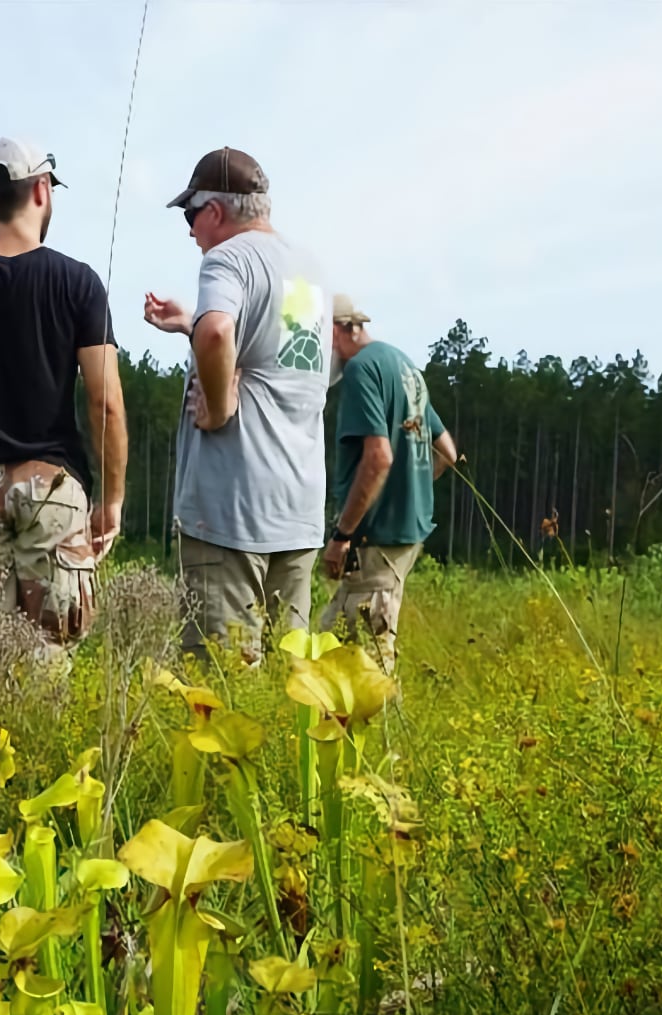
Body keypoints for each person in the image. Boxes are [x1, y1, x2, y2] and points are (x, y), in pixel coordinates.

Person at [0, 137, 127, 650]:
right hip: (54, 491)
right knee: (49, 666)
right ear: (41, 189)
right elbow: (105, 403)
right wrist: (112, 499)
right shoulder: (79, 283)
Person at [143, 147, 331, 664]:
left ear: (215, 211)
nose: (189, 231)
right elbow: (275, 362)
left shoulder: (227, 258)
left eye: (190, 214)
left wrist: (221, 406)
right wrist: (191, 324)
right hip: (296, 513)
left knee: (222, 698)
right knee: (287, 681)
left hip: (232, 515)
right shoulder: (309, 271)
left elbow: (220, 331)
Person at [317, 294, 459, 674]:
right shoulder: (403, 365)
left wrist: (342, 534)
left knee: (365, 659)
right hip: (407, 534)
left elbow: (378, 456)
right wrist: (409, 487)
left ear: (334, 331)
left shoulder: (361, 370)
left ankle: (383, 730)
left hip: (374, 539)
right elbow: (447, 451)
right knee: (329, 640)